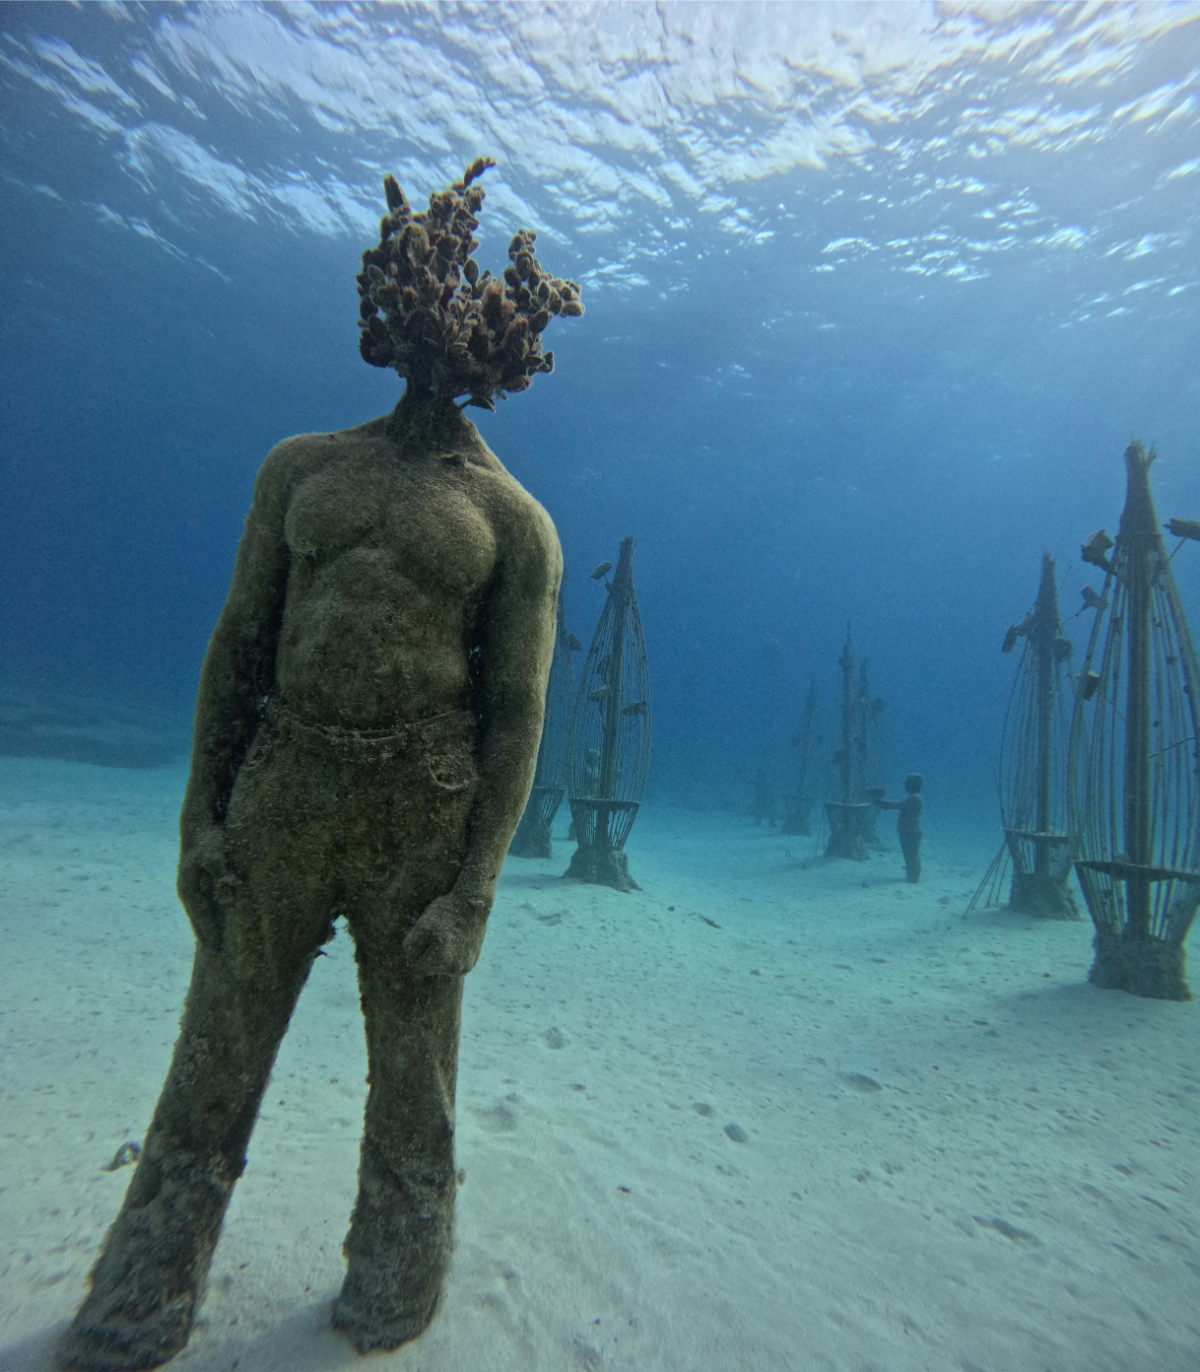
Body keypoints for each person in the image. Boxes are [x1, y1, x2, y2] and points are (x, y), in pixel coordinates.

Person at [56, 160, 580, 1371]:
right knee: (214, 1057)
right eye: (425, 293)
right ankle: (141, 1294)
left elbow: (516, 711)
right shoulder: (299, 469)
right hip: (281, 794)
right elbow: (238, 646)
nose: (441, 323)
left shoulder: (515, 525)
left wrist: (475, 891)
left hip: (424, 816)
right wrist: (202, 817)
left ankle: (395, 1288)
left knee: (415, 1080)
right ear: (390, 308)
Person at [869, 773, 924, 882]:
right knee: (910, 855)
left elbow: (896, 805)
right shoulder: (913, 797)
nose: (905, 784)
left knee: (911, 855)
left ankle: (913, 877)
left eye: (907, 782)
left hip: (910, 831)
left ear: (913, 784)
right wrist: (881, 802)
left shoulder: (914, 798)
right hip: (910, 831)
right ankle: (912, 875)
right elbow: (897, 805)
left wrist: (879, 801)